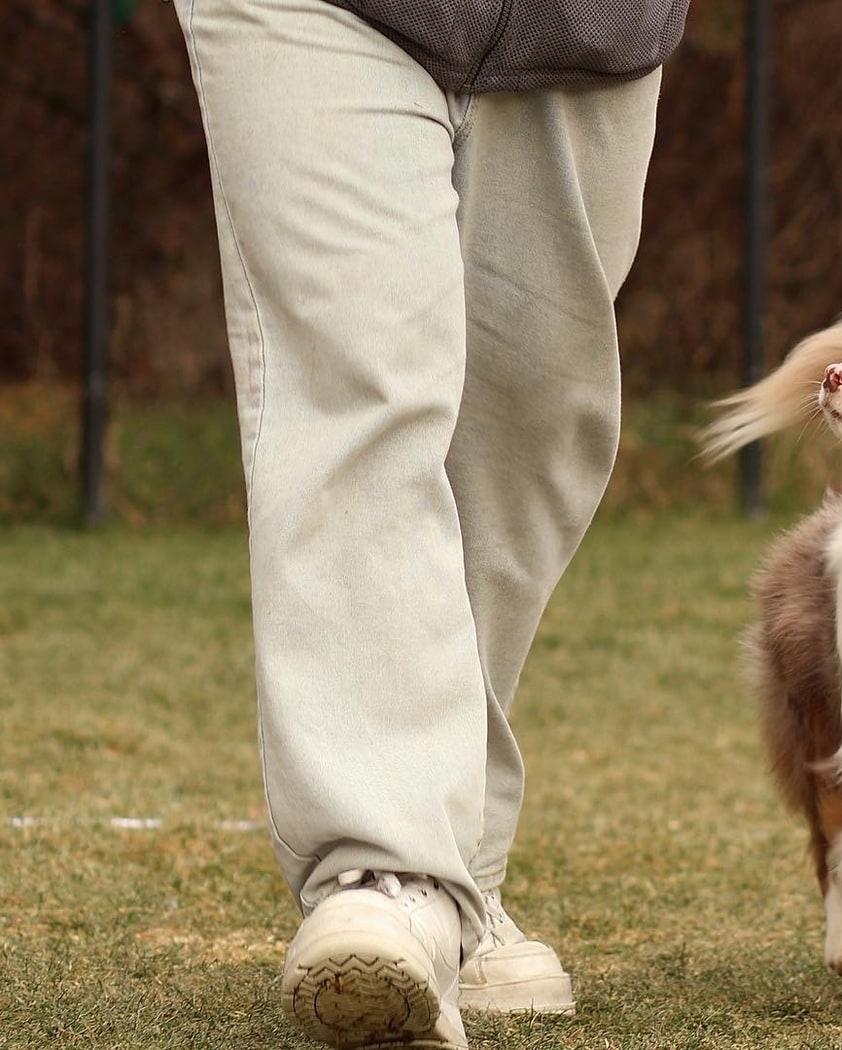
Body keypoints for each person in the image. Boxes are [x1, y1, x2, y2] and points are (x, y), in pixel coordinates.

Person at [170, 0, 687, 1045]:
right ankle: (385, 872)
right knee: (363, 385)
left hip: (585, 30)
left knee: (530, 429)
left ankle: (458, 877)